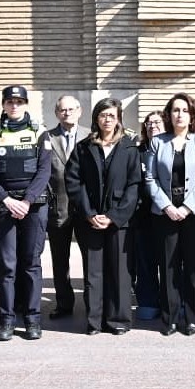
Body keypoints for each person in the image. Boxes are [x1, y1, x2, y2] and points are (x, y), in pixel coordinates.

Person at [0, 84, 53, 341]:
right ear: (3, 104)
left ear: (25, 104)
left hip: (34, 206)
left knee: (31, 264)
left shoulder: (39, 132)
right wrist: (7, 199)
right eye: (10, 101)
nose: (14, 105)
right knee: (7, 266)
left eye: (19, 102)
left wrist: (28, 201)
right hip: (4, 205)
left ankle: (32, 320)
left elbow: (44, 171)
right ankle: (6, 321)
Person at [65, 97, 140, 335]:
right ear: (96, 118)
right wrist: (88, 213)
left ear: (118, 118)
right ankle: (94, 320)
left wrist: (115, 215)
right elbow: (73, 181)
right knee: (93, 271)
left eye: (111, 115)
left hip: (119, 220)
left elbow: (134, 185)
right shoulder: (84, 147)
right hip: (91, 219)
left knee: (119, 271)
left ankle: (118, 320)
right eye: (102, 115)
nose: (107, 120)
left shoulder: (129, 147)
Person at [144, 93, 195, 335]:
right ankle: (170, 318)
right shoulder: (157, 142)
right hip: (164, 214)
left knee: (193, 267)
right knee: (168, 266)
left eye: (184, 110)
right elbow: (150, 178)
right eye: (175, 110)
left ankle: (192, 316)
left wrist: (186, 207)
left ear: (191, 114)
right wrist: (167, 206)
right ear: (169, 114)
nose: (179, 114)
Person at [45, 95, 86, 320]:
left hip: (86, 209)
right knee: (60, 260)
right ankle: (63, 303)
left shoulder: (91, 135)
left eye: (71, 109)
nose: (67, 113)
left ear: (79, 111)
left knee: (91, 258)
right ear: (56, 113)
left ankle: (93, 301)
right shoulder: (46, 137)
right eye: (63, 110)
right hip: (57, 208)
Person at [130, 110, 166, 323]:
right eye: (149, 123)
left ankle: (172, 300)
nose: (153, 126)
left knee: (169, 261)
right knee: (145, 260)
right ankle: (148, 301)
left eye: (158, 122)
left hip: (169, 213)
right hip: (143, 215)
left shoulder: (173, 146)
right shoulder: (137, 151)